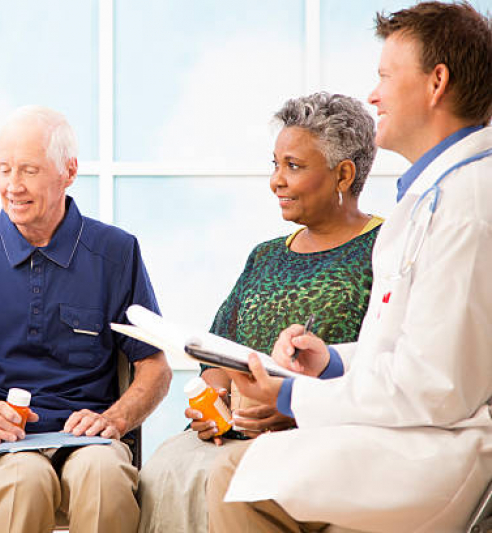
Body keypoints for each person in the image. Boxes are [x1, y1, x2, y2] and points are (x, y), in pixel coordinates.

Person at [207, 3, 492, 532]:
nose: (374, 94)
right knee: (240, 471)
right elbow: (410, 351)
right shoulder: (433, 197)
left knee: (239, 475)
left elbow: (433, 386)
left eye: (385, 76)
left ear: (437, 82)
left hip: (441, 448)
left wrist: (291, 393)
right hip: (415, 429)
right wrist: (332, 362)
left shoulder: (468, 206)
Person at [0, 105, 172, 533]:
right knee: (24, 479)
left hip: (87, 441)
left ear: (68, 172)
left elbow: (154, 366)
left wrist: (115, 419)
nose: (13, 186)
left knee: (103, 475)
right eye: (4, 170)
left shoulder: (116, 253)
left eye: (29, 171)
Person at [138, 92, 381, 533]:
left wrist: (294, 406)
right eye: (275, 164)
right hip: (231, 435)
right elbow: (216, 352)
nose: (276, 181)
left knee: (230, 477)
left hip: (324, 438)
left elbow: (386, 366)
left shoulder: (385, 249)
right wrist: (212, 405)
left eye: (293, 166)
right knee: (163, 470)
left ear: (343, 174)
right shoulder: (265, 256)